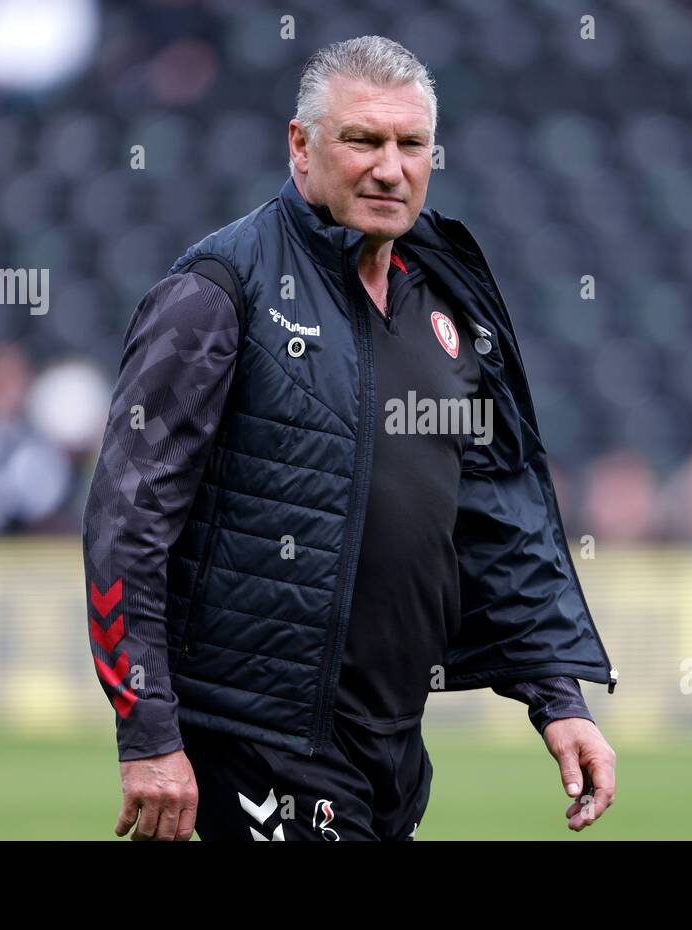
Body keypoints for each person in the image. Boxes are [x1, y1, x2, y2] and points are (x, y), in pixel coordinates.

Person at [82, 36, 617, 841]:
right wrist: (149, 731)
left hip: (392, 745)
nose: (390, 168)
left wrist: (557, 696)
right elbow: (126, 525)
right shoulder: (220, 290)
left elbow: (492, 518)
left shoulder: (446, 306)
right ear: (301, 146)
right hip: (259, 743)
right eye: (362, 140)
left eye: (411, 145)